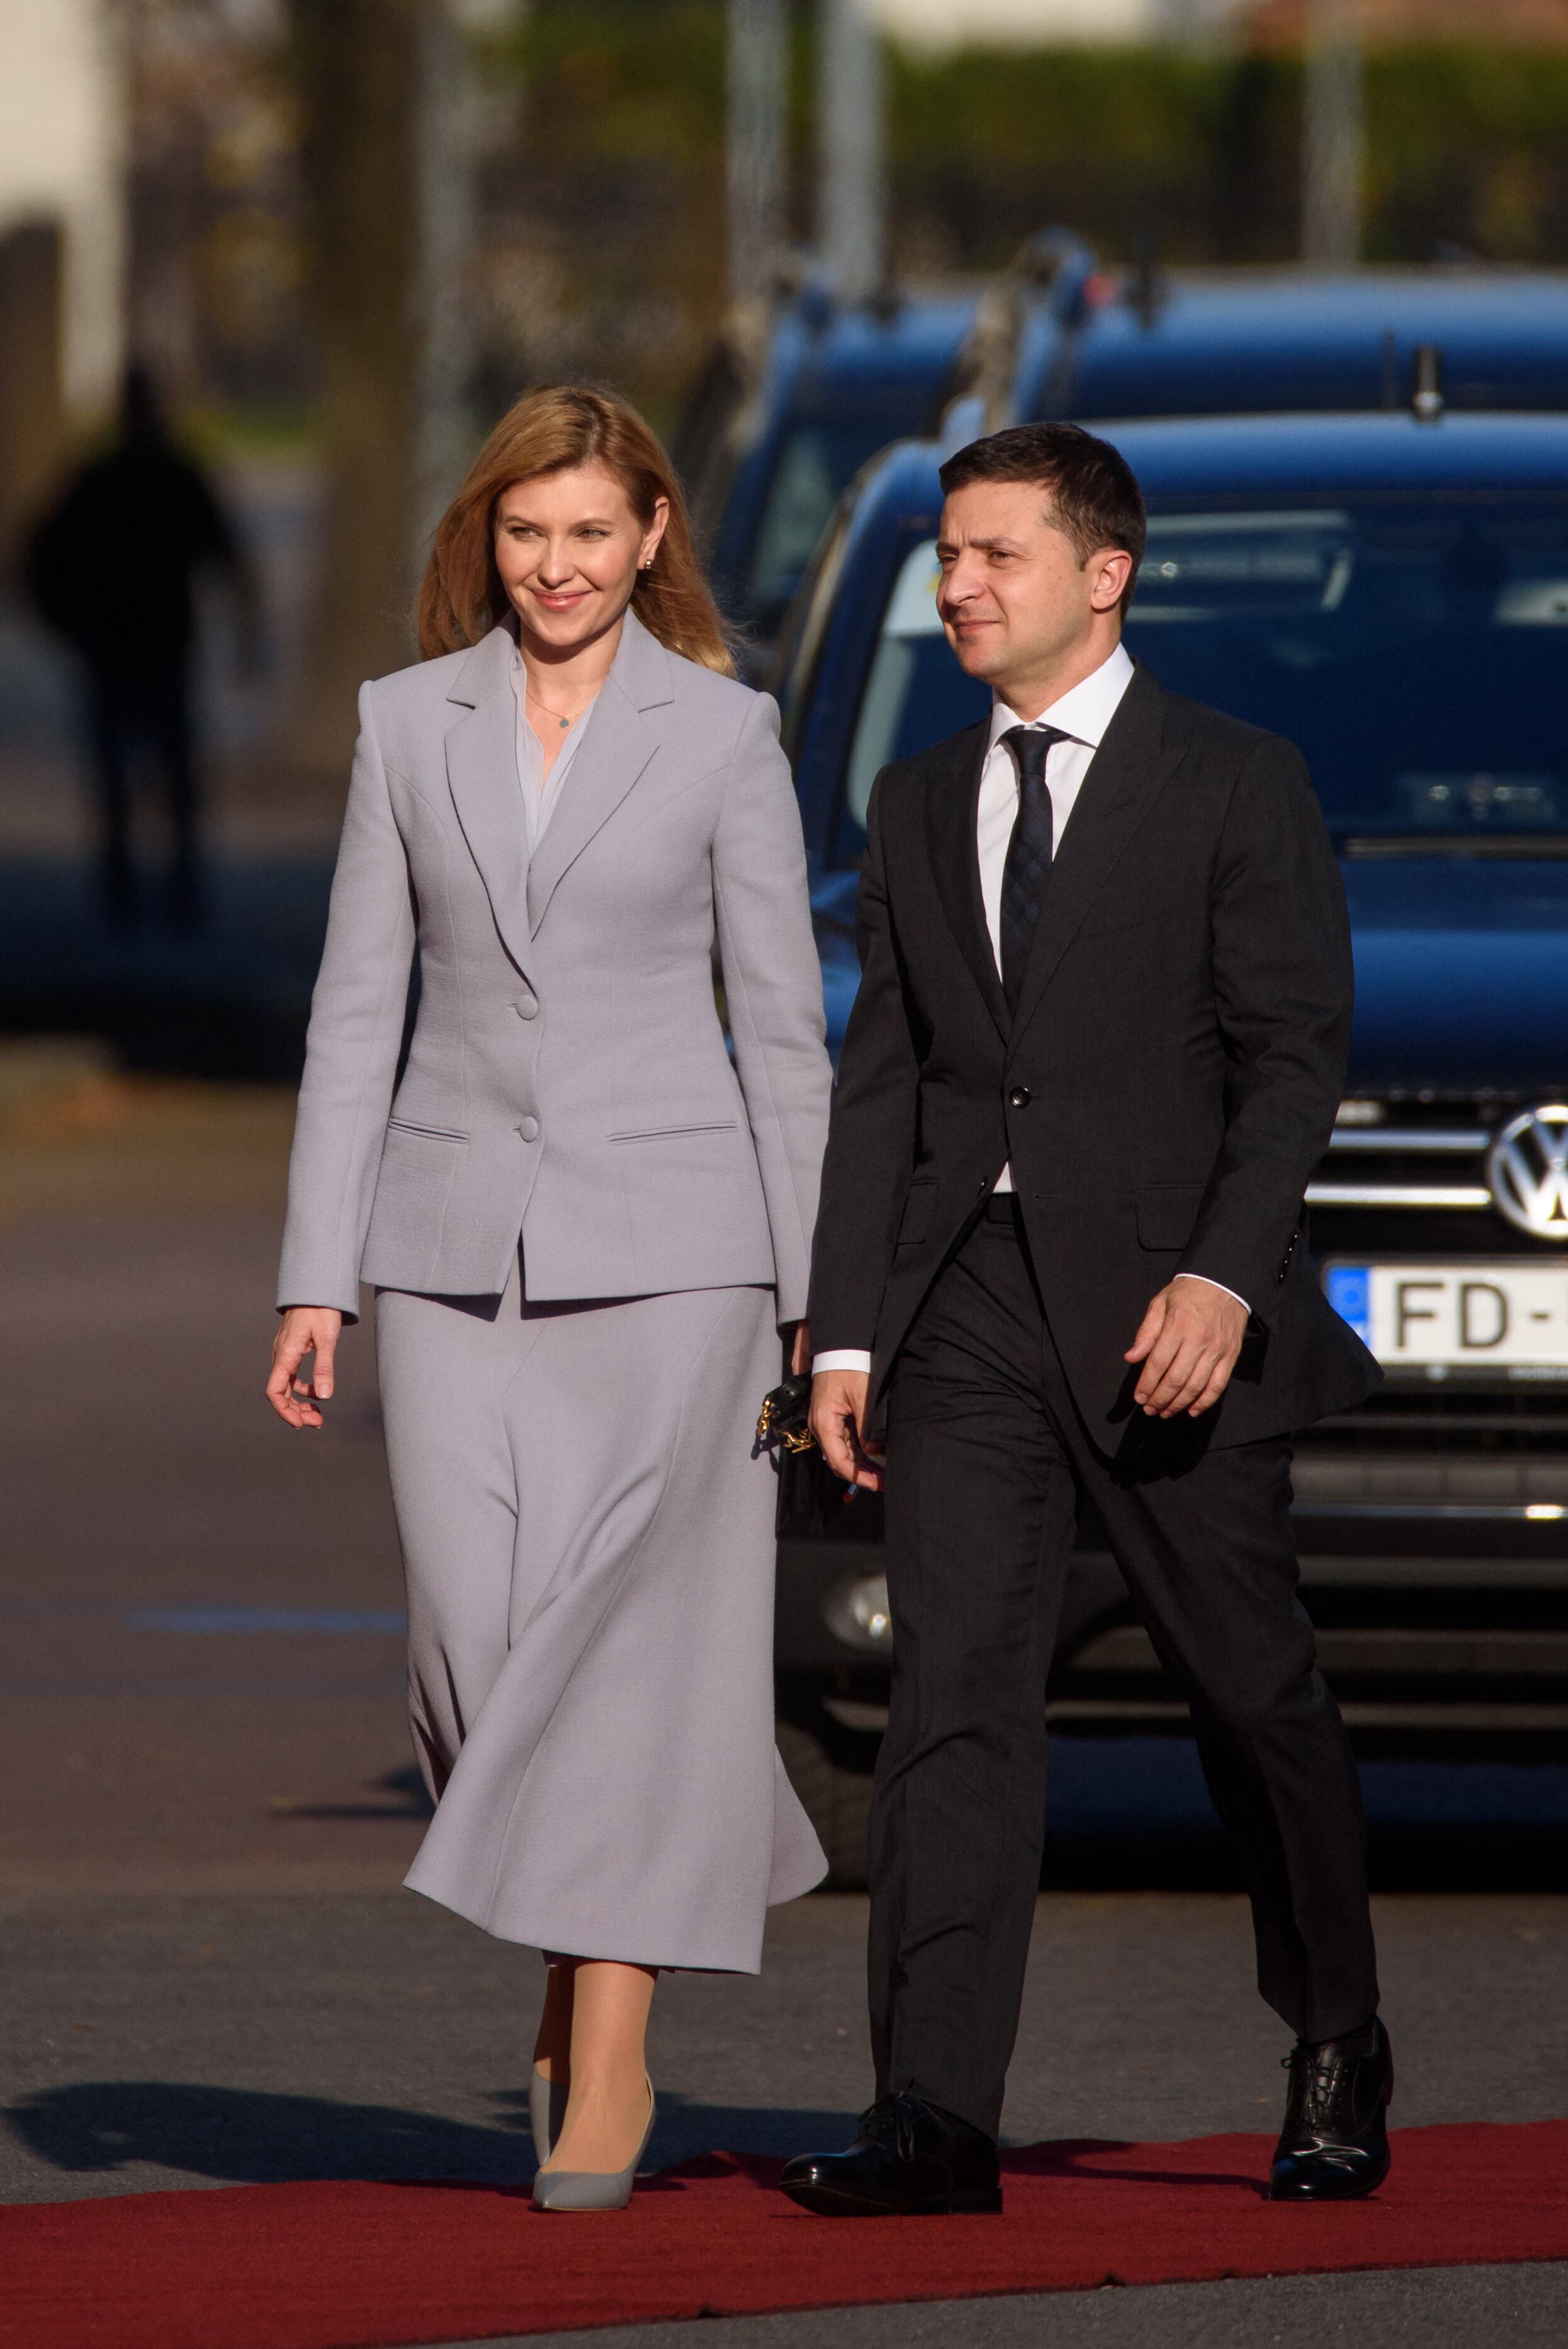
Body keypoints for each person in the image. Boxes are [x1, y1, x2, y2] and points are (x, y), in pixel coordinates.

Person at [782, 423, 1390, 2221]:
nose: (956, 585)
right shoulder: (909, 803)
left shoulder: (1232, 780)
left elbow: (1294, 1060)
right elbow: (880, 1088)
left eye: (992, 558)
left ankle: (1338, 2039)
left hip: (1166, 1325)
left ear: (1102, 574)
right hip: (965, 1315)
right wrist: (841, 1337)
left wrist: (1217, 1271)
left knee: (1248, 1694)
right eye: (946, 559)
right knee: (949, 1704)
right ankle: (932, 2116)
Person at [266, 384, 831, 2212]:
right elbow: (359, 1007)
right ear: (484, 539)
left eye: (591, 531)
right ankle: (575, 1921)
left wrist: (817, 1307)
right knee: (473, 1649)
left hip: (682, 1251)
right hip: (443, 1244)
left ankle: (608, 2022)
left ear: (651, 534)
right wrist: (314, 1276)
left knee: (641, 1644)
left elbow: (782, 1033)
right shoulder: (402, 723)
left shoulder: (726, 734)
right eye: (526, 532)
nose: (557, 566)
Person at [23, 364, 256, 929]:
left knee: (117, 779)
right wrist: (248, 635)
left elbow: (37, 557)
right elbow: (227, 560)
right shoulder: (175, 475)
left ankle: (124, 897)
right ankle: (178, 897)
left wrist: (67, 628)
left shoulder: (97, 478)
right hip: (160, 647)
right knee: (172, 778)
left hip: (113, 649)